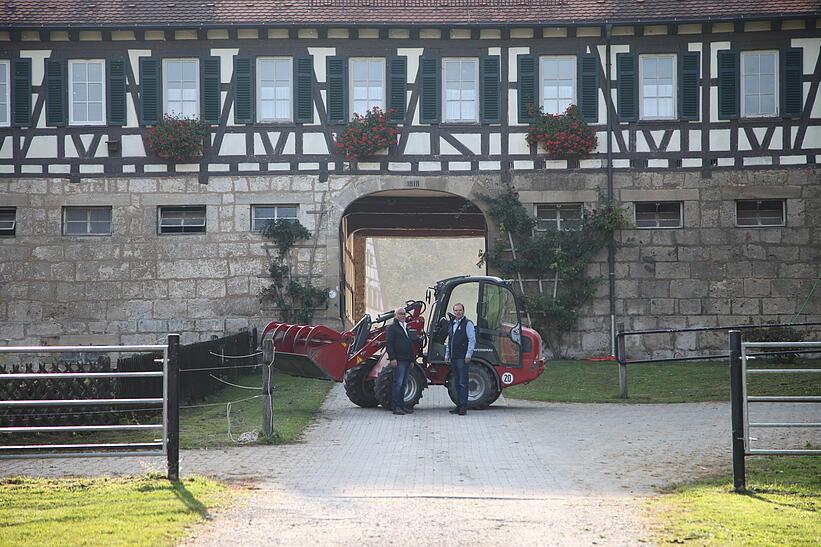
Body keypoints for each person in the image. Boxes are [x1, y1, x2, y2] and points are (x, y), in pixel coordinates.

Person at [444, 302, 476, 416]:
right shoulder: (452, 323)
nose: (458, 312)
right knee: (456, 383)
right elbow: (450, 340)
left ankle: (463, 407)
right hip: (453, 357)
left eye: (460, 310)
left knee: (463, 382)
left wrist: (468, 355)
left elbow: (472, 340)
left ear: (463, 311)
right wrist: (447, 354)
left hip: (462, 358)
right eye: (456, 310)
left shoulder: (468, 324)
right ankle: (458, 405)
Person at [385, 307, 415, 415]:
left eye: (404, 314)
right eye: (400, 314)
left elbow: (409, 345)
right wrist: (392, 358)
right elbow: (389, 343)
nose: (402, 315)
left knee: (403, 384)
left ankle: (402, 406)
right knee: (398, 383)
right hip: (399, 360)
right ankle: (396, 407)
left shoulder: (405, 327)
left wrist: (412, 360)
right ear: (395, 315)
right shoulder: (392, 328)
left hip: (407, 360)